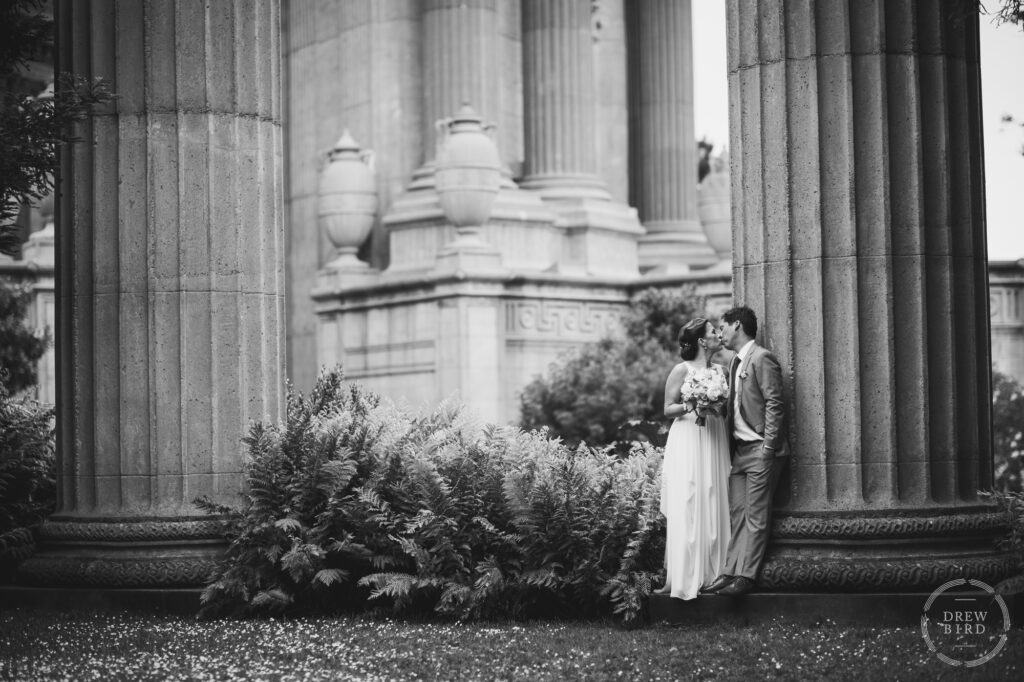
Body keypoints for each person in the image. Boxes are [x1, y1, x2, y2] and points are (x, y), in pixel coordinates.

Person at [703, 306, 789, 597]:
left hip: (762, 451)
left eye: (722, 327)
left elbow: (775, 403)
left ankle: (746, 577)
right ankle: (729, 572)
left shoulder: (762, 358)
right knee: (737, 514)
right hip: (739, 452)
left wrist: (769, 446)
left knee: (756, 515)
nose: (719, 333)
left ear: (737, 325)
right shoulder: (735, 363)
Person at [657, 317, 732, 600]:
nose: (718, 334)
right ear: (702, 340)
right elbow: (667, 408)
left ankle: (716, 573)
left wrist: (716, 405)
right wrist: (694, 403)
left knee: (714, 493)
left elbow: (726, 409)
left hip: (713, 435)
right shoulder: (682, 369)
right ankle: (685, 574)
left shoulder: (723, 370)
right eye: (713, 331)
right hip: (688, 436)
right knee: (689, 496)